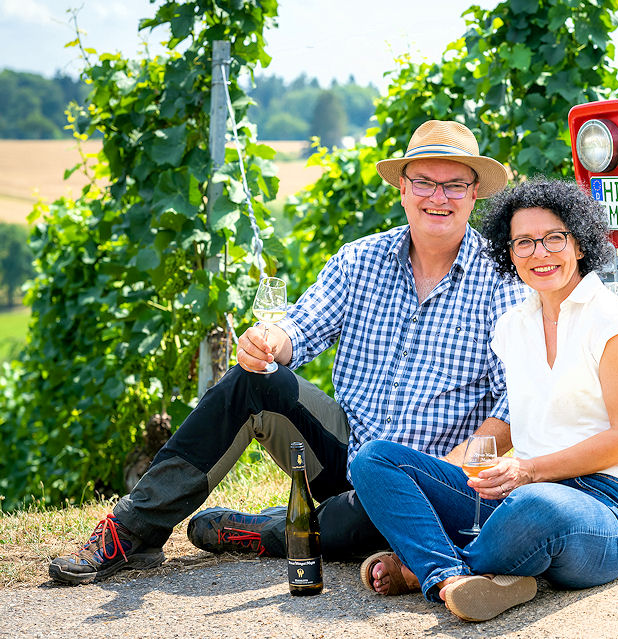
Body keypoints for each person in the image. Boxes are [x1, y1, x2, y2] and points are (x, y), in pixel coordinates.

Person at [48, 120, 526, 585]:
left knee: (349, 529)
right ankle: (132, 530)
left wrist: (438, 478)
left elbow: (512, 405)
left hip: (425, 479)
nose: (438, 198)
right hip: (344, 454)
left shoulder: (503, 283)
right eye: (424, 181)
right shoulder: (359, 259)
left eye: (454, 186)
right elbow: (300, 325)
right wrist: (268, 343)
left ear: (475, 194)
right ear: (402, 188)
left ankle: (269, 531)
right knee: (253, 380)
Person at [349, 177, 618, 622]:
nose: (540, 253)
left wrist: (529, 471)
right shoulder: (514, 325)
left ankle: (423, 570)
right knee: (375, 460)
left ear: (581, 244)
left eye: (554, 238)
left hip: (599, 507)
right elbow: (513, 422)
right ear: (508, 253)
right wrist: (450, 478)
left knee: (534, 507)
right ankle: (454, 578)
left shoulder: (611, 321)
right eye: (524, 243)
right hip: (517, 494)